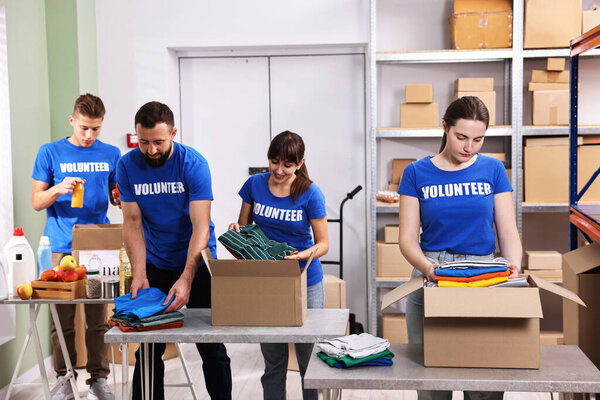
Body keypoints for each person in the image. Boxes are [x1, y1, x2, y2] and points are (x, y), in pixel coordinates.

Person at [398, 96, 522, 400]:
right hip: (433, 274)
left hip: (483, 274)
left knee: (484, 378)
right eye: (461, 137)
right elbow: (407, 238)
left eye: (478, 139)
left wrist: (514, 266)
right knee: (432, 380)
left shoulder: (493, 170)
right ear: (444, 127)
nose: (469, 147)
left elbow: (507, 230)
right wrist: (428, 268)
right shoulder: (416, 173)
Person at [116, 101, 232, 400]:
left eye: (158, 142)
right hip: (155, 261)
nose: (151, 150)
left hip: (198, 260)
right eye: (144, 142)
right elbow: (132, 221)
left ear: (173, 134)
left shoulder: (193, 164)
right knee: (149, 349)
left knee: (211, 347)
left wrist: (187, 277)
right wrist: (139, 273)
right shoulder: (127, 166)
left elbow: (201, 227)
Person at [31, 94, 121, 400]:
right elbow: (36, 202)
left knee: (98, 318)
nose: (89, 135)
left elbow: (114, 195)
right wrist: (57, 188)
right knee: (62, 319)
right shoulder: (50, 152)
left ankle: (99, 379)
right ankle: (64, 378)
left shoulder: (111, 153)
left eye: (95, 129)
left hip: (99, 245)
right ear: (72, 121)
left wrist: (119, 197)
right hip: (61, 246)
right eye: (84, 128)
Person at [228, 130, 329, 400]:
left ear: (300, 163)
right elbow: (245, 228)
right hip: (267, 282)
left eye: (287, 164)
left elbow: (323, 244)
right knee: (273, 361)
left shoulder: (310, 193)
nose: (279, 170)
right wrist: (236, 230)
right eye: (274, 162)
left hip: (304, 281)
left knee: (310, 361)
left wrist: (302, 255)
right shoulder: (254, 185)